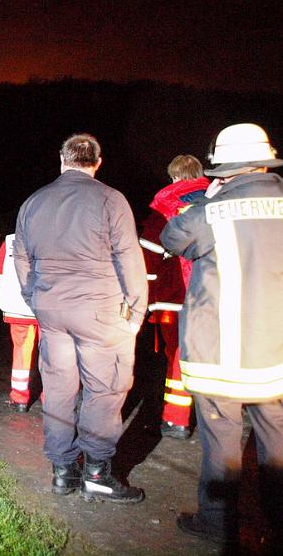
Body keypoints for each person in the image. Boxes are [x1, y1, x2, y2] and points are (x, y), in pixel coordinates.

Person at [160, 123, 283, 546]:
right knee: (278, 441)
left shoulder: (214, 210)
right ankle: (278, 518)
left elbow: (173, 238)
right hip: (276, 355)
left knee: (222, 444)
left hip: (222, 353)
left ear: (225, 170)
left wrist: (210, 197)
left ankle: (217, 521)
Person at [14, 133, 148, 502]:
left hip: (52, 311)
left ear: (62, 160)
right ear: (97, 163)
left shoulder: (33, 202)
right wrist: (136, 312)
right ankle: (96, 472)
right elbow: (129, 257)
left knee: (58, 389)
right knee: (104, 389)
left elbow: (22, 260)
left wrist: (35, 299)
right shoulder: (110, 200)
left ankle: (62, 471)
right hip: (100, 312)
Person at [139, 155, 209, 439]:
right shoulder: (217, 199)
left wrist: (141, 295)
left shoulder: (166, 204)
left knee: (178, 354)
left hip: (175, 294)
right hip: (215, 292)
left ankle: (177, 418)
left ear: (174, 177)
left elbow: (149, 253)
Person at [0, 234, 40, 413]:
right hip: (48, 308)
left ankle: (20, 397)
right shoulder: (55, 235)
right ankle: (52, 398)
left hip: (18, 308)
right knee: (51, 352)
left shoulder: (9, 241)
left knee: (21, 351)